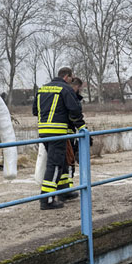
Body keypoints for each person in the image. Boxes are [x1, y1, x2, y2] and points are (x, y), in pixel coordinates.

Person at [33, 67, 86, 209]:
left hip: (43, 133)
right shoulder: (65, 89)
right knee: (55, 165)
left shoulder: (42, 89)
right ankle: (47, 200)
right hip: (58, 133)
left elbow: (34, 111)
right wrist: (82, 128)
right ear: (67, 77)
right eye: (71, 77)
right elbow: (75, 110)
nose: (71, 80)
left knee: (60, 162)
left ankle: (63, 191)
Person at [63, 76, 86, 199]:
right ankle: (68, 188)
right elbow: (75, 115)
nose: (80, 91)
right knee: (70, 160)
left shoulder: (65, 95)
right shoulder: (71, 97)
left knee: (64, 161)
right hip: (69, 132)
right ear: (76, 86)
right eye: (79, 88)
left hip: (63, 132)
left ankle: (65, 188)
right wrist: (83, 128)